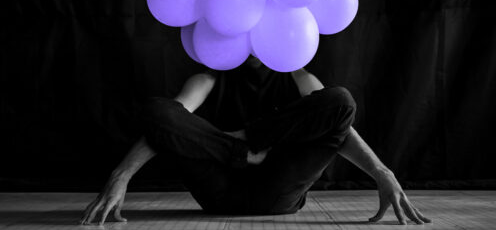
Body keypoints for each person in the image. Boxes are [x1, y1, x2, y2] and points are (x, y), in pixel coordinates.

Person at [80, 56, 431, 226]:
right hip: (217, 188)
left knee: (339, 101)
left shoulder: (297, 72)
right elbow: (164, 123)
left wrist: (381, 172)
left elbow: (340, 118)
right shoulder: (211, 74)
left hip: (278, 190)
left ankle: (246, 146)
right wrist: (120, 176)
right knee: (159, 111)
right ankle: (242, 150)